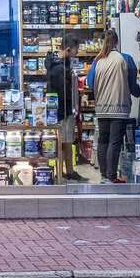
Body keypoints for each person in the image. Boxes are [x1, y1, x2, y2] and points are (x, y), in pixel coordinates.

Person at [86, 30, 140, 184]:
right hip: (119, 107)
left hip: (102, 108)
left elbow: (90, 83)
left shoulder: (98, 61)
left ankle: (104, 176)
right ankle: (111, 176)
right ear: (117, 42)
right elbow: (132, 87)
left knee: (103, 141)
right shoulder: (126, 59)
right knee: (114, 142)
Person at [45, 36, 87, 181]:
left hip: (63, 110)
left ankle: (68, 171)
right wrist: (75, 95)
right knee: (62, 142)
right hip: (62, 111)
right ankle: (60, 173)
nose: (77, 54)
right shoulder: (59, 69)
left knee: (67, 142)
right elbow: (63, 93)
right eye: (75, 51)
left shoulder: (60, 65)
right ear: (68, 50)